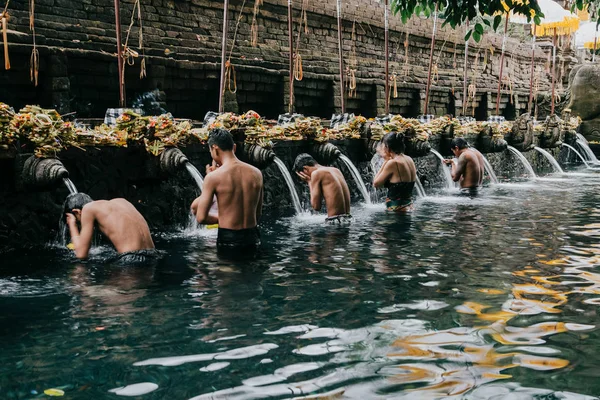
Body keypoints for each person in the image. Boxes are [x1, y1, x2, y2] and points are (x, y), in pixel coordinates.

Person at [191, 128, 263, 254]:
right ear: (234, 147)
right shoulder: (257, 173)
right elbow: (257, 213)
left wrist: (225, 217)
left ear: (215, 149)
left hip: (229, 239)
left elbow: (201, 217)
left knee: (227, 273)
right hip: (253, 237)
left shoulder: (213, 177)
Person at [64, 193, 156, 262]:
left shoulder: (88, 208)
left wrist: (73, 225)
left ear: (76, 212)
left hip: (131, 259)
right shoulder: (122, 201)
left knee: (80, 286)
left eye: (79, 222)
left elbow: (81, 255)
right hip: (153, 256)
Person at [294, 153, 351, 223]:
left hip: (335, 222)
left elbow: (316, 207)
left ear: (305, 169)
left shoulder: (316, 174)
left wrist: (309, 181)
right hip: (348, 219)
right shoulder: (335, 170)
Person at [373, 132, 417, 212]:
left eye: (382, 146)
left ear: (387, 147)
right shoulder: (409, 159)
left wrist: (386, 160)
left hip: (397, 210)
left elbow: (376, 183)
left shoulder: (393, 163)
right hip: (409, 206)